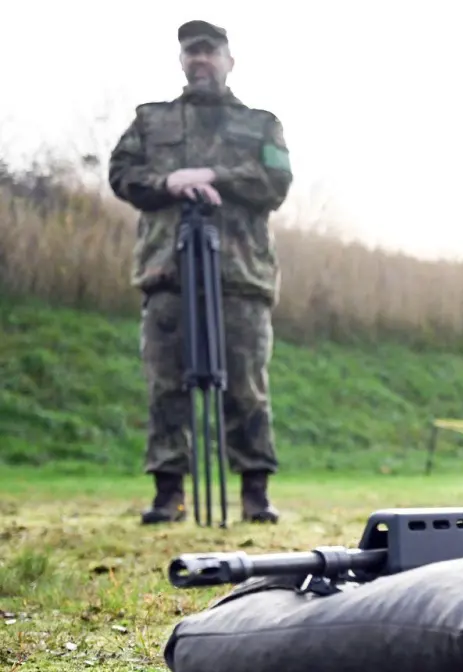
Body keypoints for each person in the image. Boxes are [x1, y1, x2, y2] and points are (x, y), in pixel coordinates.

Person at [108, 19, 293, 525]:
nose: (201, 60)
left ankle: (256, 493)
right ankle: (169, 494)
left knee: (247, 386)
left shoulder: (261, 123)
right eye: (192, 52)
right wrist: (170, 180)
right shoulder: (151, 120)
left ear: (229, 60)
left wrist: (213, 175)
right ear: (182, 61)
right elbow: (121, 174)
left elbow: (276, 181)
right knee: (166, 384)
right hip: (167, 270)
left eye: (210, 51)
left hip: (240, 274)